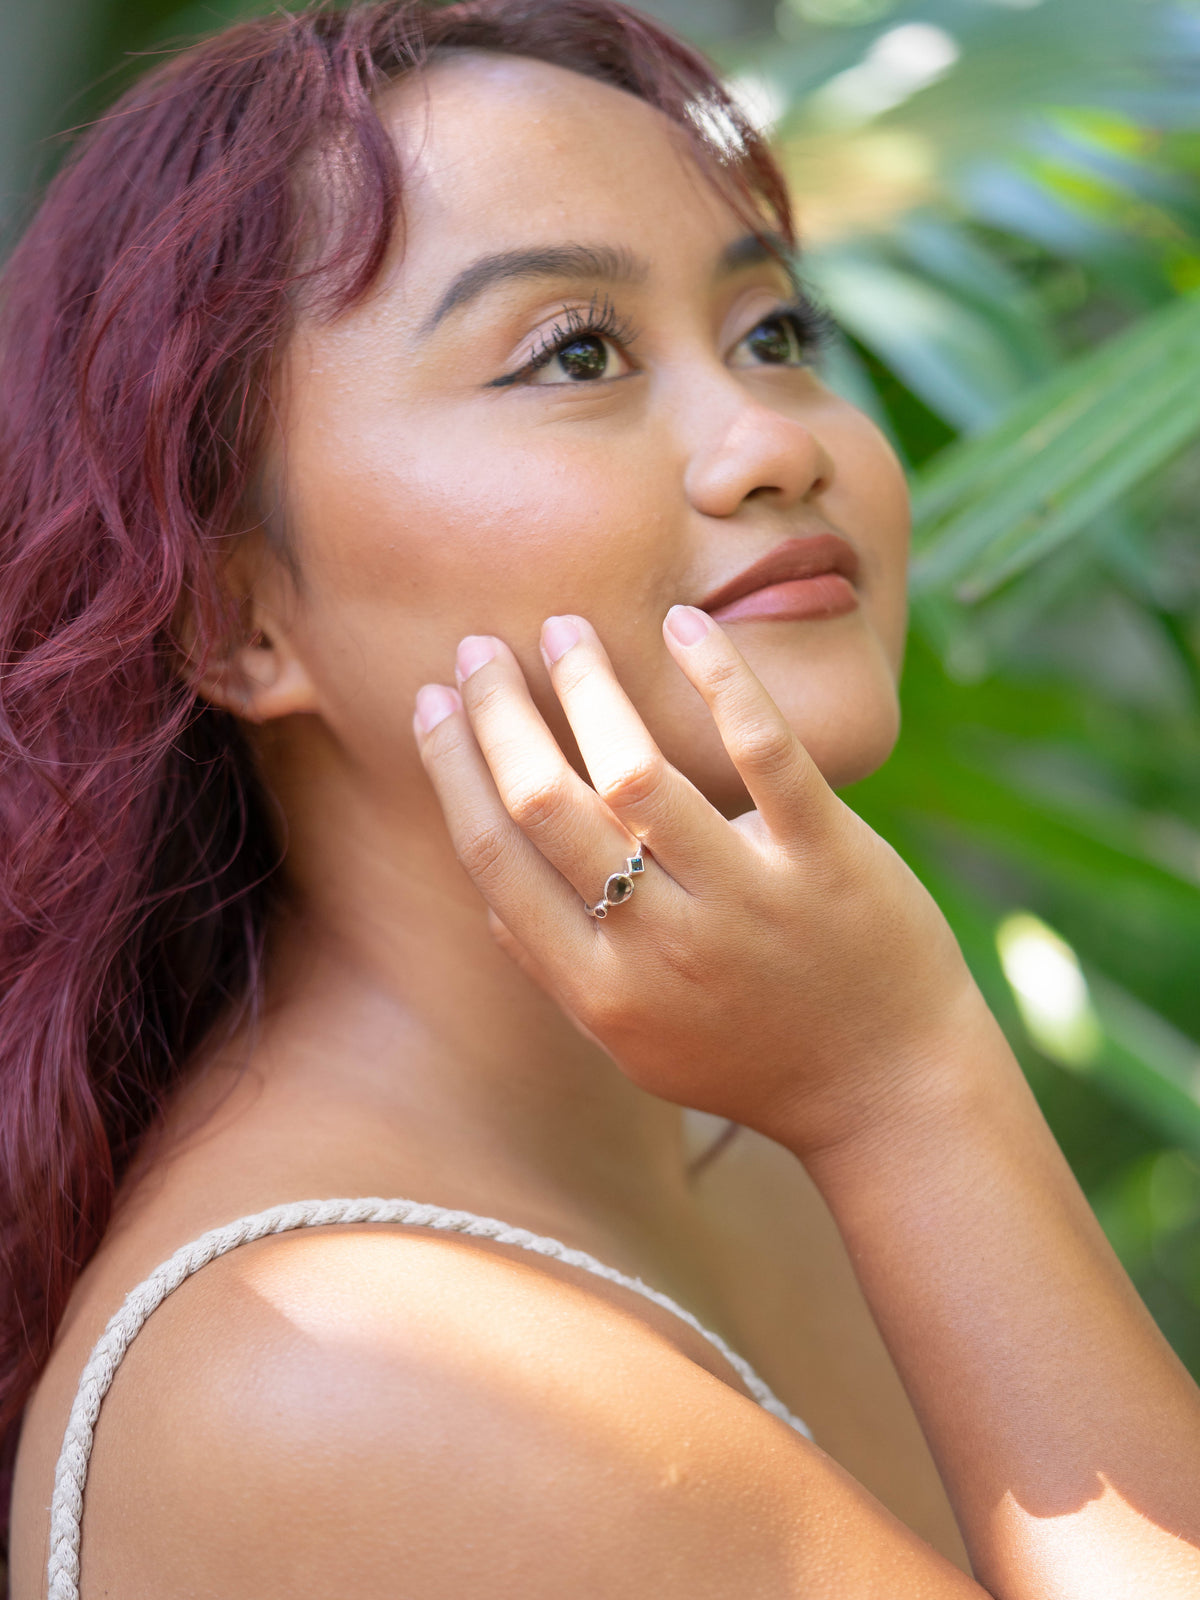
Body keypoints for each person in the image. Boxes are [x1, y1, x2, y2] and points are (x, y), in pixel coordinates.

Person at [2, 1, 1198, 1594]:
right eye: (576, 351)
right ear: (234, 617)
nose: (772, 441)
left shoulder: (746, 1134)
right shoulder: (348, 1366)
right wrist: (910, 1087)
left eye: (774, 331)